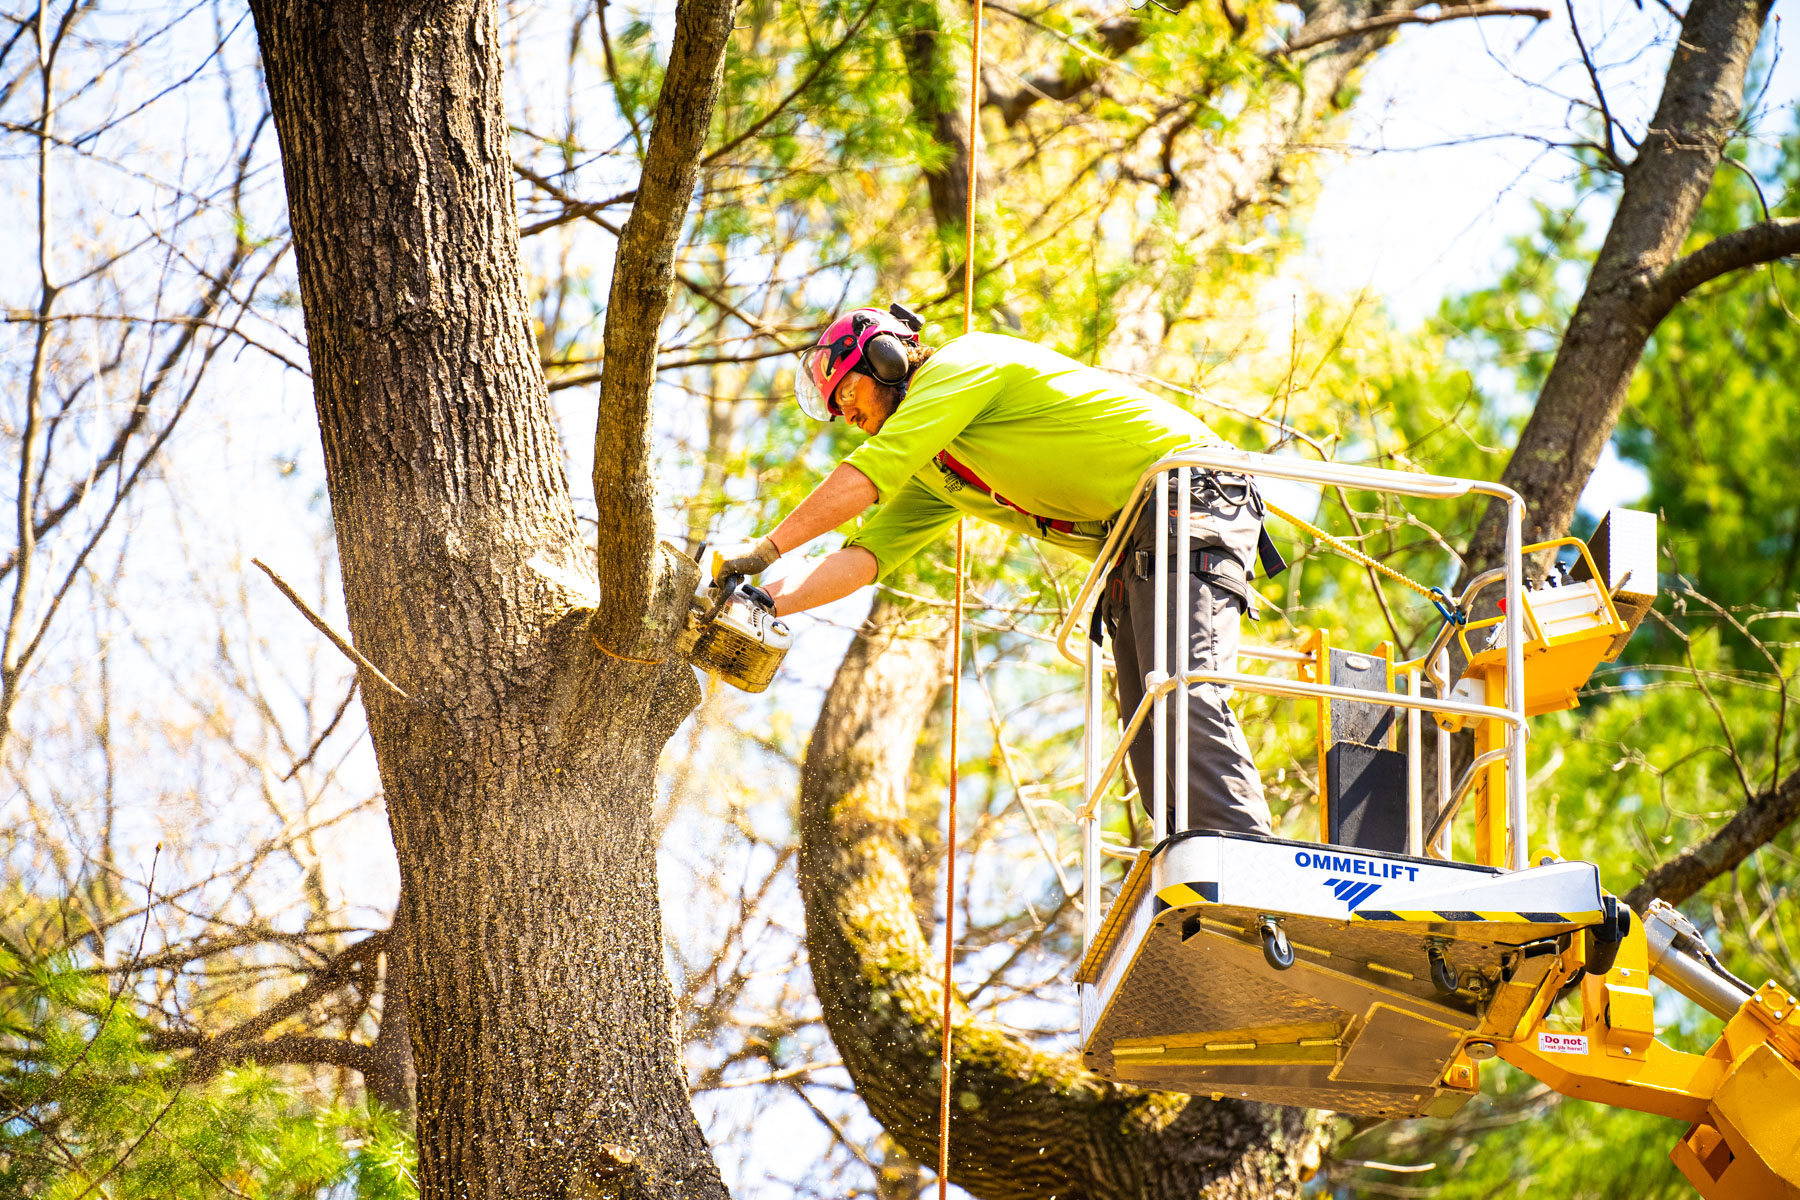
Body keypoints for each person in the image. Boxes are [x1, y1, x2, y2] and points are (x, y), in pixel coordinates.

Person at [714, 304, 1281, 836]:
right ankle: (1201, 875)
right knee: (1148, 735)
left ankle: (1248, 858)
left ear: (884, 358)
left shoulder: (964, 363)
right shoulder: (938, 466)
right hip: (1132, 541)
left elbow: (866, 477)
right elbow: (864, 558)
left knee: (1180, 691)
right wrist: (761, 602)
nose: (844, 414)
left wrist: (765, 548)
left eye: (845, 392)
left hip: (1190, 496)